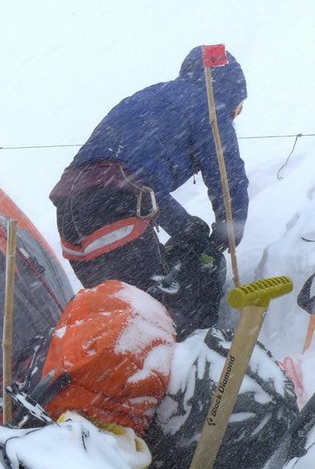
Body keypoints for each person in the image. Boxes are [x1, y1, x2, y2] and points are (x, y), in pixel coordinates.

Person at [50, 46, 249, 334]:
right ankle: (198, 364)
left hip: (71, 214)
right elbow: (227, 174)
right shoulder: (210, 105)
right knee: (158, 320)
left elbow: (134, 179)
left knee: (117, 322)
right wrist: (231, 224)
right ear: (229, 92)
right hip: (115, 208)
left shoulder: (149, 96)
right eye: (238, 108)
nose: (234, 116)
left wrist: (185, 226)